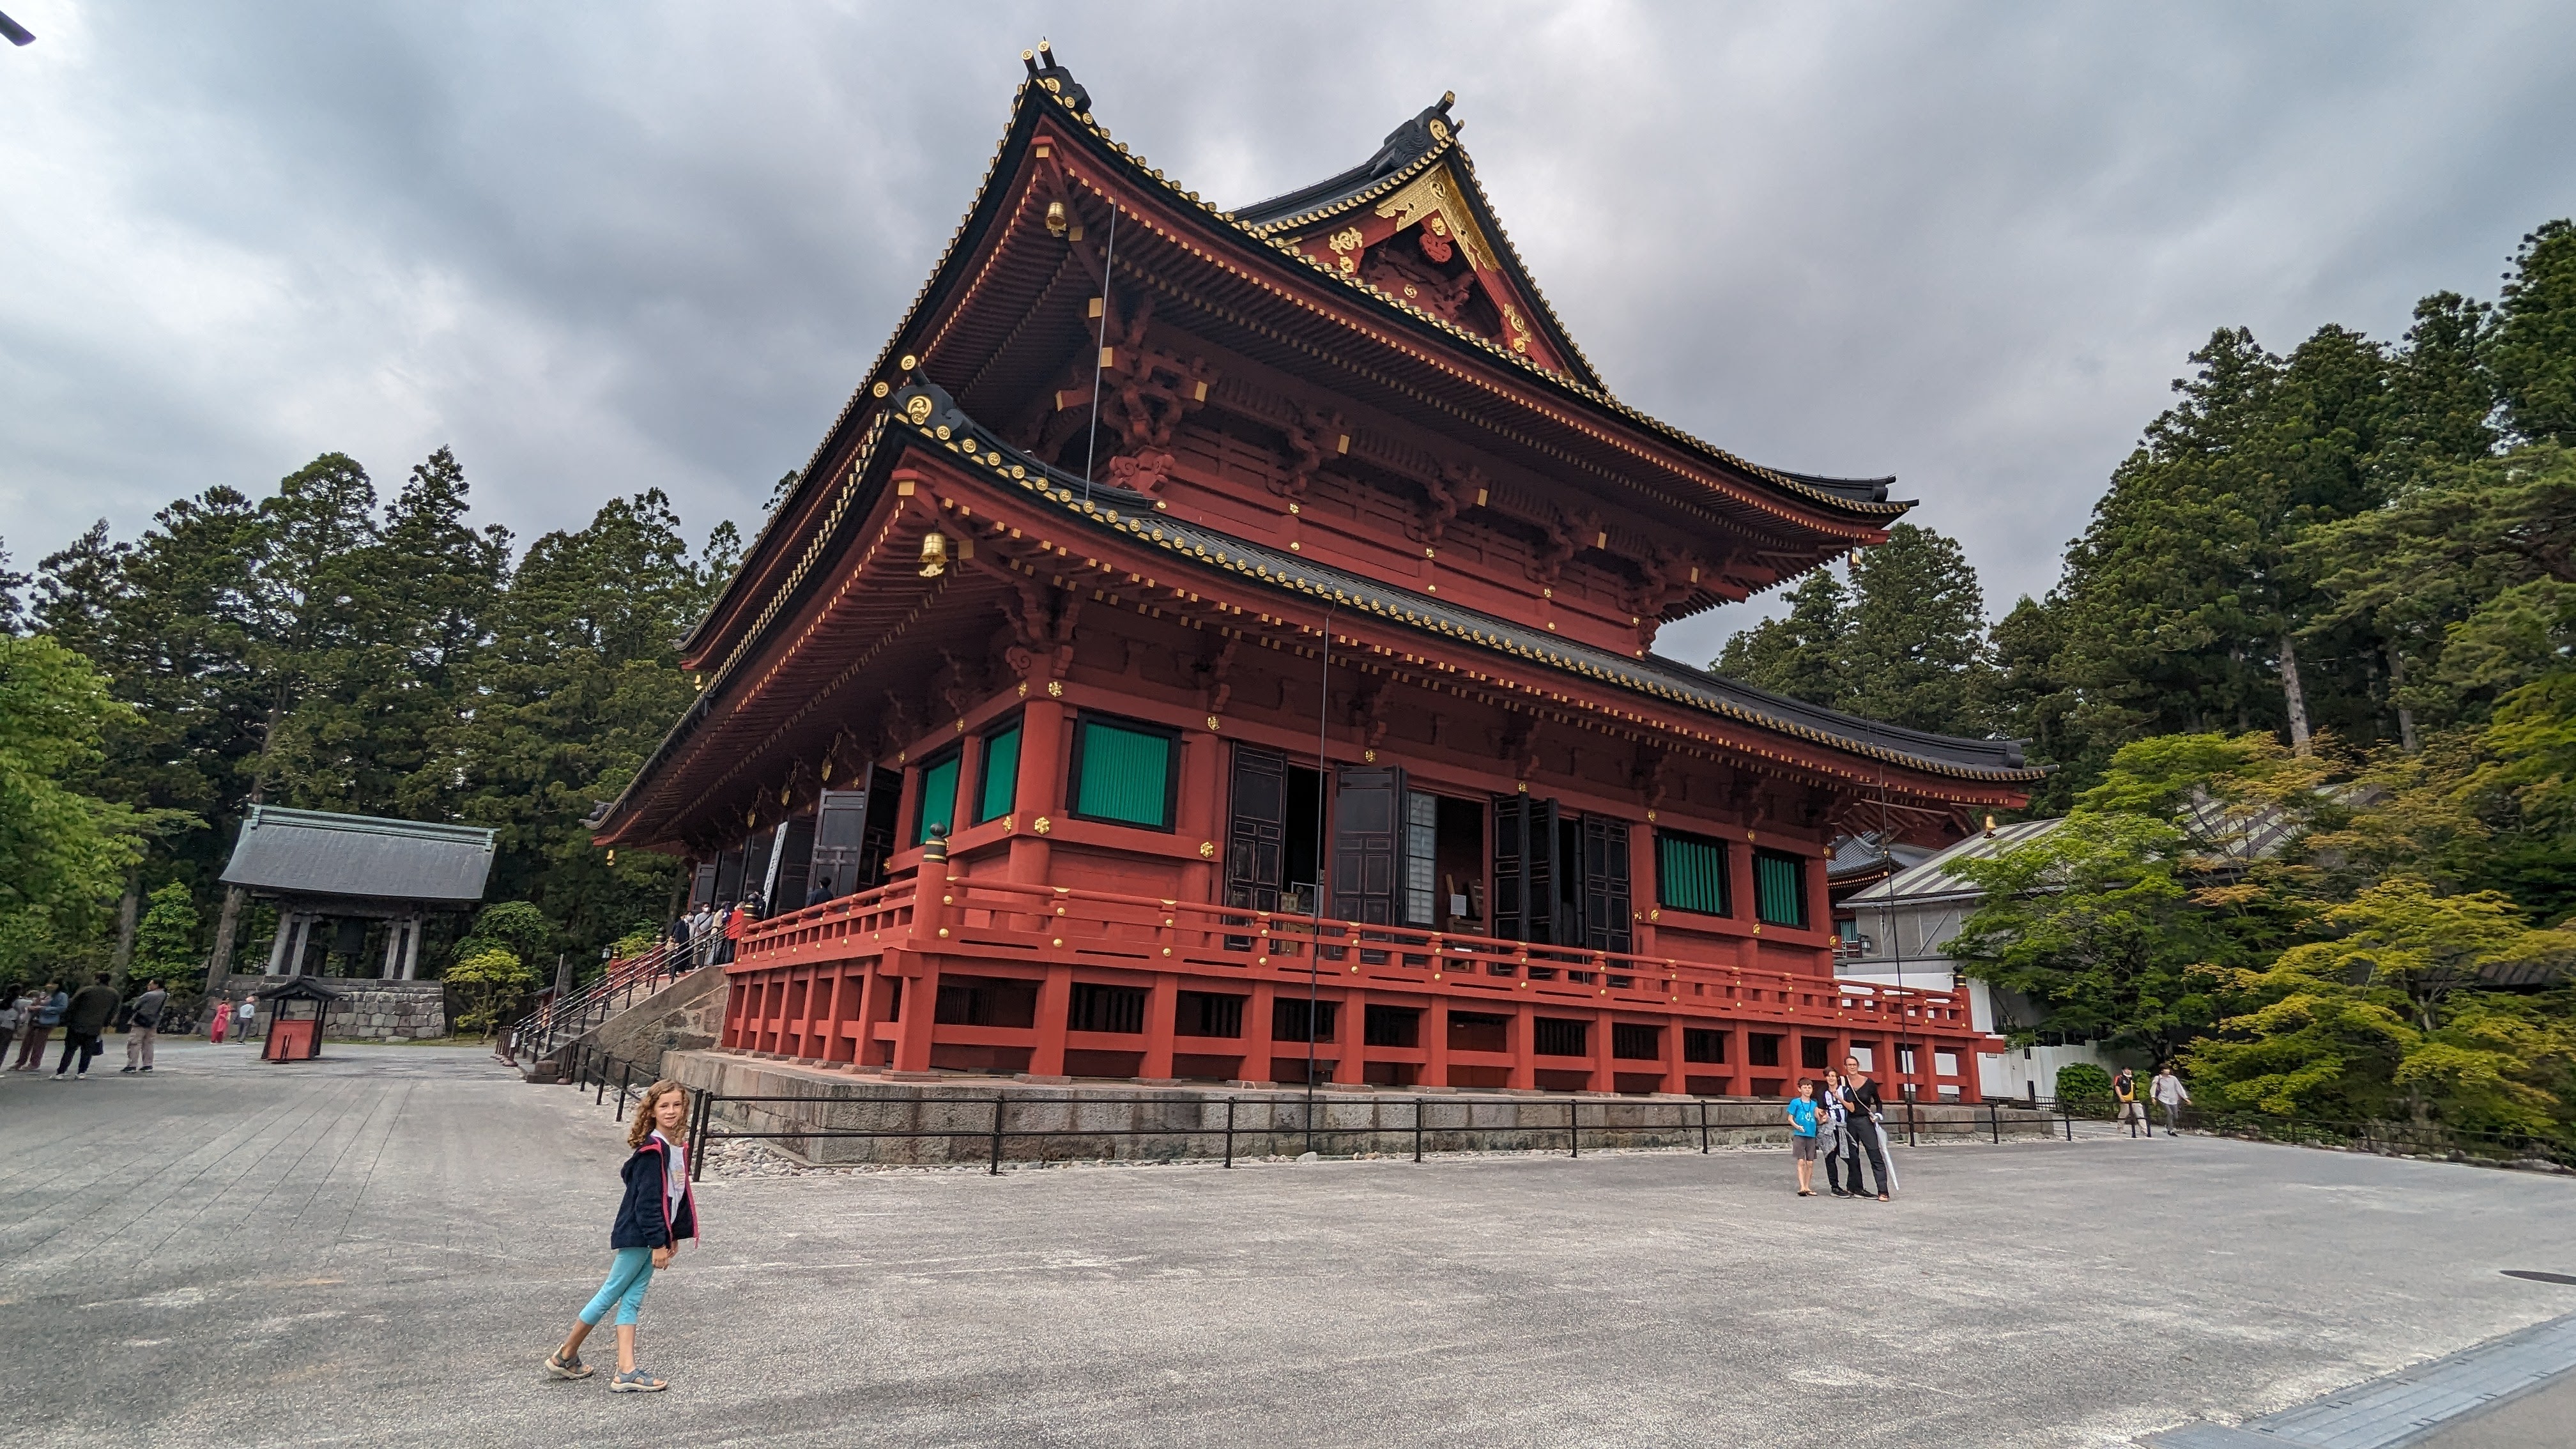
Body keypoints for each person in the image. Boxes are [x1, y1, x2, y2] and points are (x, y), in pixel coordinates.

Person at [546, 1079, 699, 1392]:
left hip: (654, 1235)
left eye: (677, 1105)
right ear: (652, 1111)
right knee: (610, 1293)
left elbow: (676, 1196)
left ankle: (625, 1370)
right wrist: (658, 1242)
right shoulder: (652, 1152)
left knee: (632, 1298)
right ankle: (565, 1354)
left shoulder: (675, 1148)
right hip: (640, 1235)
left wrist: (673, 1235)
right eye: (664, 1106)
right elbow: (647, 1204)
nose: (671, 1111)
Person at [1837, 1055, 1892, 1202]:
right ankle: (1855, 1187)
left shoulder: (1869, 1083)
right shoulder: (1842, 1082)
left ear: (1858, 1066)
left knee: (1874, 1154)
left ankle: (1883, 1191)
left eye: (1854, 1064)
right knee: (1852, 1156)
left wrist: (1878, 1115)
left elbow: (1878, 1101)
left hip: (1864, 1121)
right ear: (1845, 1067)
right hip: (1848, 1121)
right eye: (1849, 1065)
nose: (1852, 1067)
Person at [54, 976, 121, 1081]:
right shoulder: (114, 994)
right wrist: (105, 1023)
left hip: (77, 1023)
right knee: (87, 1051)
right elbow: (113, 1010)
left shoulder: (87, 990)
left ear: (98, 980)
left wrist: (66, 1019)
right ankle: (82, 1072)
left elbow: (72, 1004)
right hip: (95, 1026)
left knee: (70, 1049)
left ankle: (61, 1072)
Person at [1816, 1071, 1855, 1197]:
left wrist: (1839, 1098)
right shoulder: (1822, 1092)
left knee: (1852, 1158)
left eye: (1833, 1076)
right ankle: (1835, 1187)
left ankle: (1852, 1186)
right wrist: (1822, 1116)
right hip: (1830, 1128)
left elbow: (1852, 1108)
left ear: (1837, 1078)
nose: (1831, 1078)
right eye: (1828, 1076)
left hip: (1843, 1128)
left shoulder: (1845, 1090)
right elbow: (1821, 1110)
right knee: (1830, 1158)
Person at [13, 981, 65, 1071]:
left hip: (47, 1021)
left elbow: (61, 1008)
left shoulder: (61, 996)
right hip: (35, 1020)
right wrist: (31, 1007)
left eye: (53, 984)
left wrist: (43, 1008)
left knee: (39, 1043)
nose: (50, 986)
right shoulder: (43, 994)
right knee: (26, 1042)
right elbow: (34, 1004)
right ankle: (20, 1062)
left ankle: (34, 1064)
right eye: (49, 984)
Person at [123, 979, 169, 1074]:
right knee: (149, 1043)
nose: (148, 986)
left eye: (151, 984)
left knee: (134, 1043)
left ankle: (132, 1065)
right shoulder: (166, 995)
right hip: (154, 1022)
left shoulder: (148, 995)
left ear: (156, 985)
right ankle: (148, 1065)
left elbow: (136, 1006)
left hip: (140, 1021)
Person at [1784, 1080, 1821, 1196]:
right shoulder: (1795, 1102)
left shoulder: (1814, 1104)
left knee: (1810, 1162)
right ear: (1800, 1089)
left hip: (1811, 1135)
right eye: (1805, 1087)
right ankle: (1802, 1187)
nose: (1807, 1090)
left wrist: (1824, 1116)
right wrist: (1797, 1127)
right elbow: (1790, 1118)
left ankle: (1808, 1186)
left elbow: (1818, 1117)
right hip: (1800, 1135)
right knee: (1801, 1161)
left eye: (1809, 1087)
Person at [2151, 1065, 2189, 1133]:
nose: (2168, 1071)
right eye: (2166, 1069)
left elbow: (2179, 1088)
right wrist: (2153, 1097)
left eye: (2168, 1069)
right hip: (2163, 1098)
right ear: (2162, 1070)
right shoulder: (2158, 1078)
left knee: (2176, 1116)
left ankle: (2168, 1125)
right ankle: (2170, 1130)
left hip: (2173, 1099)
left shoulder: (2173, 1079)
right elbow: (2154, 1087)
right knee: (2170, 1113)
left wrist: (2185, 1098)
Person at [2114, 1068, 2146, 1137]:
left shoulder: (2133, 1079)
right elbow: (2117, 1087)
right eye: (2126, 1069)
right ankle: (2120, 1128)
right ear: (2123, 1070)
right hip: (2125, 1098)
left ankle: (2144, 1130)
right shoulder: (2120, 1078)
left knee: (2140, 1114)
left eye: (2129, 1070)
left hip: (2135, 1099)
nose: (2128, 1071)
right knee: (2124, 1114)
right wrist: (2121, 1098)